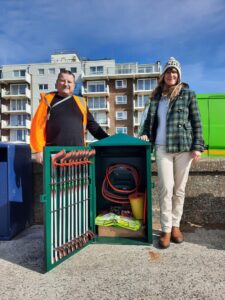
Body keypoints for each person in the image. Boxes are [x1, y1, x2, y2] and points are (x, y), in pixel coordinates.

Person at [140, 57, 205, 249]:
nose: (171, 75)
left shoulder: (187, 94)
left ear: (179, 76)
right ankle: (166, 229)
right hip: (161, 148)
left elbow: (196, 121)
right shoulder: (156, 97)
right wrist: (144, 133)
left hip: (184, 148)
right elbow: (148, 122)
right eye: (168, 71)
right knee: (166, 188)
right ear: (163, 76)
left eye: (174, 72)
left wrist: (197, 146)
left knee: (179, 189)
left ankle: (176, 226)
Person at [30, 70, 108, 163]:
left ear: (74, 85)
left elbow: (92, 125)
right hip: (54, 154)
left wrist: (108, 140)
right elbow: (38, 126)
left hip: (77, 153)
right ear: (56, 83)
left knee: (78, 177)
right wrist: (39, 150)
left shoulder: (81, 102)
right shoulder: (47, 100)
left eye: (69, 82)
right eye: (63, 80)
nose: (66, 84)